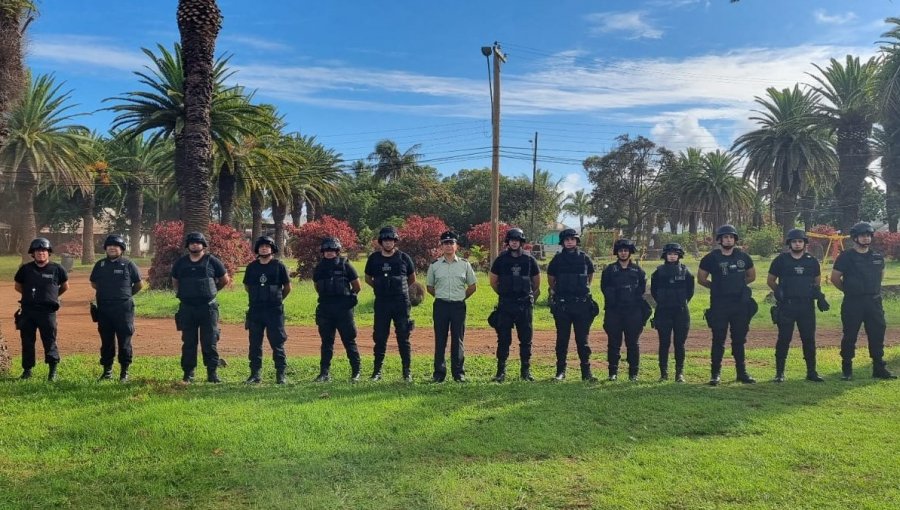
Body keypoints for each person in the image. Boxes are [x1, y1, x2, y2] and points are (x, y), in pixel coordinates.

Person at [831, 222, 896, 380]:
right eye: (862, 235)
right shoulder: (846, 257)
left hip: (873, 302)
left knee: (877, 333)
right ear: (855, 238)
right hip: (853, 302)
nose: (866, 238)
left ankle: (879, 367)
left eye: (868, 235)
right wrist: (850, 291)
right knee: (850, 334)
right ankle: (847, 368)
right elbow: (835, 278)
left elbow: (880, 277)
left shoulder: (877, 257)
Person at [697, 224, 757, 386]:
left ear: (735, 239)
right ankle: (715, 374)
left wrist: (737, 284)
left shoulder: (743, 257)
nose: (728, 239)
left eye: (731, 237)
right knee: (718, 339)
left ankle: (742, 373)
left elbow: (752, 276)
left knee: (739, 339)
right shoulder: (711, 257)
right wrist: (716, 286)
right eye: (725, 237)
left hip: (740, 304)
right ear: (720, 240)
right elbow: (701, 278)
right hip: (719, 304)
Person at [767, 229, 827, 383]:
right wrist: (778, 292)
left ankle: (811, 372)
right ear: (789, 244)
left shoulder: (811, 261)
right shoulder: (781, 260)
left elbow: (816, 281)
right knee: (784, 339)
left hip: (806, 307)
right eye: (794, 241)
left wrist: (818, 296)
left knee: (808, 339)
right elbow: (771, 280)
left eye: (800, 241)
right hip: (787, 306)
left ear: (805, 243)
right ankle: (779, 373)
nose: (797, 244)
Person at [171, 232, 230, 383]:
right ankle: (188, 373)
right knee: (189, 342)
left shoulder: (212, 261)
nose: (195, 244)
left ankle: (212, 374)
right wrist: (180, 293)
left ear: (203, 245)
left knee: (210, 341)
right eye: (192, 242)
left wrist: (212, 292)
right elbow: (175, 280)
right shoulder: (181, 263)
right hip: (187, 308)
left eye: (198, 242)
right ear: (188, 246)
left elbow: (224, 279)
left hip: (208, 308)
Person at [489, 228, 541, 383]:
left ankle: (525, 371)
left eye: (517, 240)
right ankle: (501, 372)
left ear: (521, 242)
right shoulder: (501, 259)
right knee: (503, 338)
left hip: (524, 305)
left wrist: (528, 296)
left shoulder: (529, 259)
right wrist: (504, 295)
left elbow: (536, 282)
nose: (514, 242)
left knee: (526, 339)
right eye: (511, 240)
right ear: (507, 242)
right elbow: (493, 281)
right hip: (506, 305)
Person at [365, 226, 416, 382]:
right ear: (381, 242)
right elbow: (368, 278)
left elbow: (411, 278)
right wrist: (381, 288)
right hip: (382, 302)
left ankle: (407, 372)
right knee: (380, 336)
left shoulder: (404, 258)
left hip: (400, 302)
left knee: (403, 336)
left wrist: (399, 289)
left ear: (395, 241)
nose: (388, 243)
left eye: (391, 240)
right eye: (385, 240)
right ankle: (377, 371)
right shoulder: (374, 258)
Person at [89, 234, 142, 382]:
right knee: (106, 340)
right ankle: (107, 371)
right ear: (106, 248)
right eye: (109, 245)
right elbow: (94, 283)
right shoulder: (100, 265)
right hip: (104, 308)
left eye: (116, 246)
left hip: (123, 309)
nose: (112, 248)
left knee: (124, 340)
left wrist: (125, 295)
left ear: (122, 249)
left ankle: (124, 372)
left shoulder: (129, 264)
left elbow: (139, 284)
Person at [14, 237, 69, 381]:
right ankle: (27, 370)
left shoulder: (57, 269)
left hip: (47, 312)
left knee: (49, 341)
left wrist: (51, 297)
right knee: (27, 341)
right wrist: (31, 297)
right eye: (37, 251)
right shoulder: (25, 269)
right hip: (28, 311)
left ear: (48, 252)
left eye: (44, 251)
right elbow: (18, 286)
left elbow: (65, 286)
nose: (41, 253)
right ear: (33, 253)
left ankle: (52, 372)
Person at [426, 231, 477, 383]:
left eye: (451, 243)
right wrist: (442, 296)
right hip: (441, 305)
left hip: (458, 306)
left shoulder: (464, 264)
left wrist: (460, 297)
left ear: (456, 246)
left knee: (458, 339)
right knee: (440, 339)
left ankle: (458, 373)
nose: (448, 246)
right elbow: (429, 287)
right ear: (441, 246)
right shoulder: (435, 266)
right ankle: (439, 373)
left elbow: (472, 286)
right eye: (445, 243)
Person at [547, 228, 597, 382]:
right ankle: (560, 371)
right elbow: (551, 279)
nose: (569, 242)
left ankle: (586, 372)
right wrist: (559, 292)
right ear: (562, 242)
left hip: (581, 305)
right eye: (567, 239)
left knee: (583, 340)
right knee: (562, 339)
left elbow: (589, 277)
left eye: (572, 239)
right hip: (563, 305)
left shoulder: (584, 258)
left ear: (576, 241)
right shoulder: (557, 260)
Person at [243, 235, 291, 384]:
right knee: (255, 343)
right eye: (261, 246)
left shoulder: (279, 266)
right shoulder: (252, 267)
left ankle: (281, 374)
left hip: (274, 311)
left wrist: (276, 299)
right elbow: (247, 287)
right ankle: (255, 374)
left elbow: (287, 288)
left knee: (277, 343)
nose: (264, 248)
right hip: (256, 311)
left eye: (267, 246)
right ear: (257, 249)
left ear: (272, 249)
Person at [313, 236, 362, 382]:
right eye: (326, 250)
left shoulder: (345, 265)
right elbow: (317, 286)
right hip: (326, 309)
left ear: (337, 251)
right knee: (326, 342)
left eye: (332, 250)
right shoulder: (319, 267)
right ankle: (324, 373)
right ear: (323, 251)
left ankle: (356, 371)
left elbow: (357, 286)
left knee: (349, 340)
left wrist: (348, 299)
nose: (329, 252)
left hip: (343, 309)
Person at [600, 238, 648, 381]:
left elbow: (642, 289)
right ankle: (612, 372)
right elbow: (604, 287)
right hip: (614, 311)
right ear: (617, 252)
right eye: (620, 250)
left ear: (630, 252)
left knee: (633, 343)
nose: (623, 253)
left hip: (633, 312)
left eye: (626, 250)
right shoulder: (609, 270)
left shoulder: (638, 270)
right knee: (614, 343)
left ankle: (633, 373)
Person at [650, 242, 694, 383]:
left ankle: (679, 373)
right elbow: (654, 291)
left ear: (679, 255)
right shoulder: (658, 272)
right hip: (663, 311)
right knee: (664, 343)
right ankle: (664, 373)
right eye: (670, 254)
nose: (672, 256)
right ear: (665, 255)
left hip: (681, 311)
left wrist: (680, 301)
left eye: (675, 254)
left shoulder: (686, 272)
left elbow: (690, 292)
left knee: (679, 344)